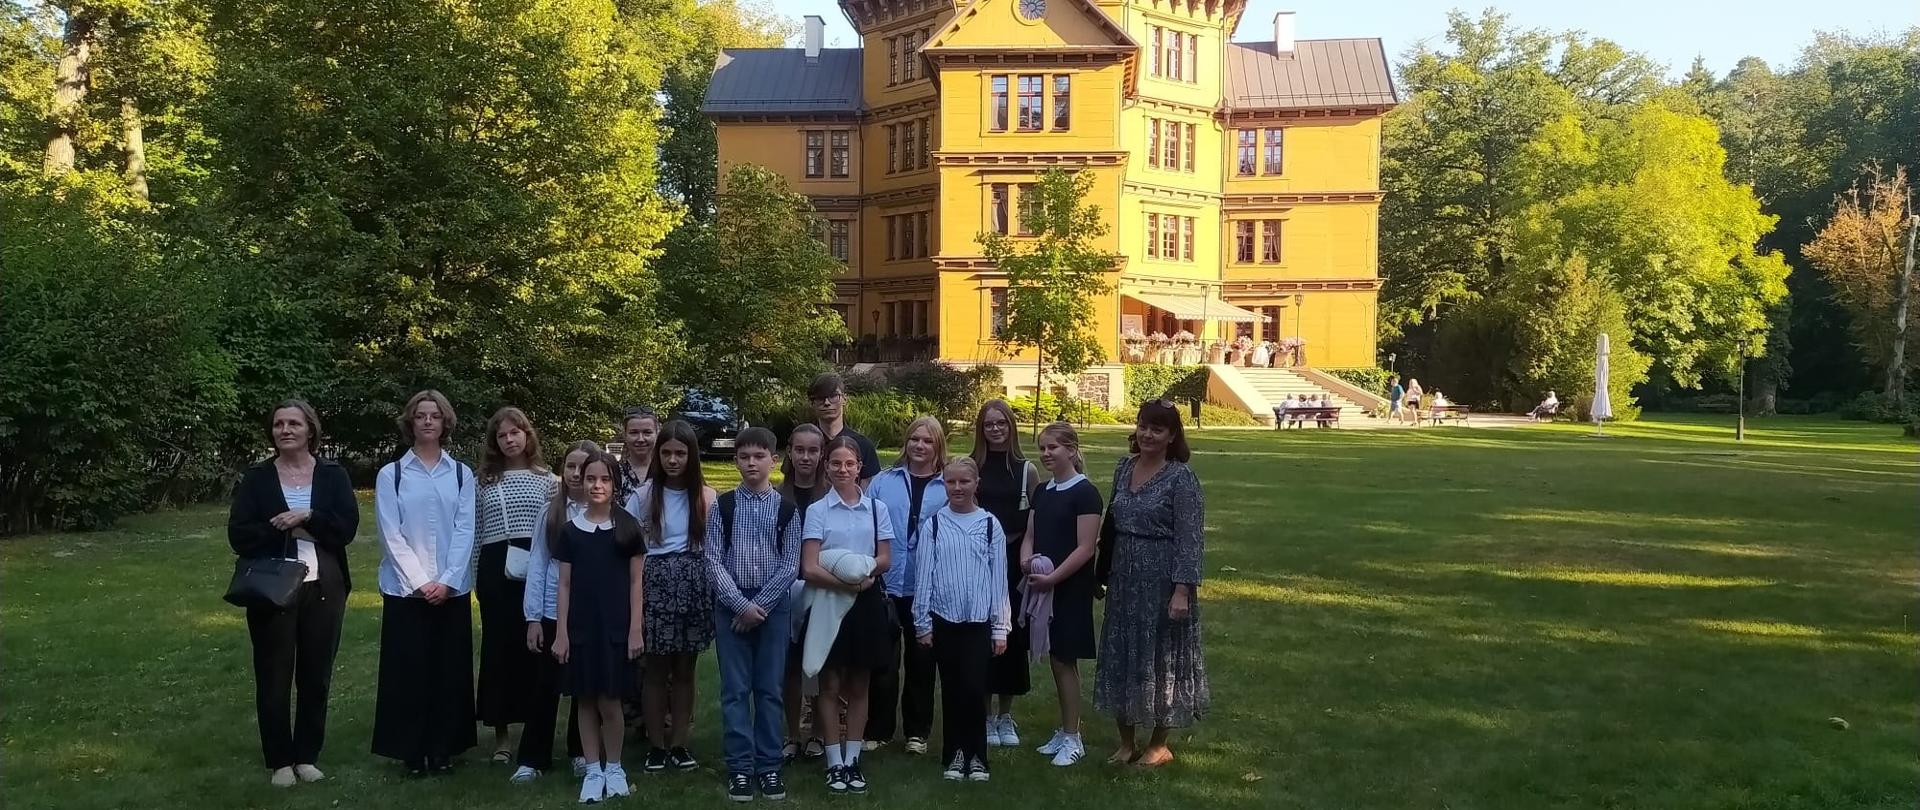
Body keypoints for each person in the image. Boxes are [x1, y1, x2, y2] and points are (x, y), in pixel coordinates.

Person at [228, 400, 359, 788]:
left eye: (294, 424)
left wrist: (308, 518)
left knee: (316, 676)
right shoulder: (258, 478)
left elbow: (345, 529)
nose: (285, 430)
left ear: (310, 430)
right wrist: (285, 528)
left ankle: (306, 756)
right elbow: (239, 535)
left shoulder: (333, 475)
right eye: (278, 424)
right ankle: (280, 760)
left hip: (325, 586)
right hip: (272, 589)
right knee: (274, 675)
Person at [1094, 400, 1210, 768]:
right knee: (1122, 654)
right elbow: (1111, 523)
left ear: (1172, 435)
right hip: (1124, 577)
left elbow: (1190, 538)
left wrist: (1182, 590)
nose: (1147, 434)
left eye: (1157, 429)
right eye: (1143, 426)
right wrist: (1102, 572)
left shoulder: (1181, 478)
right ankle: (1126, 742)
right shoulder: (1123, 468)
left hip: (1162, 579)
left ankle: (1159, 745)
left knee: (1162, 659)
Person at [372, 390, 478, 776]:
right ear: (411, 422)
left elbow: (465, 529)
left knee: (449, 672)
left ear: (445, 422)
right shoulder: (392, 474)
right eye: (421, 416)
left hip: (452, 589)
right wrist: (420, 582)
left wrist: (447, 581)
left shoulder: (462, 473)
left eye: (435, 415)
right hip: (405, 591)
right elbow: (390, 533)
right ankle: (411, 752)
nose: (428, 421)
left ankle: (444, 748)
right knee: (408, 672)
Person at [704, 427, 805, 802]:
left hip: (772, 607)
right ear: (736, 461)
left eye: (758, 456)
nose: (751, 463)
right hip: (732, 605)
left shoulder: (787, 510)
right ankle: (741, 768)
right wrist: (740, 604)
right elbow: (713, 559)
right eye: (744, 457)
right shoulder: (723, 506)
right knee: (734, 690)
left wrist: (758, 606)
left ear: (773, 461)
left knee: (769, 690)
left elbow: (790, 564)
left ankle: (769, 766)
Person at [799, 436, 896, 795]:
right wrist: (848, 583)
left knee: (859, 683)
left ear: (859, 467)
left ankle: (853, 758)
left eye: (849, 464)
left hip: (865, 601)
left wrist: (865, 575)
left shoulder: (876, 509)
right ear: (827, 467)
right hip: (829, 600)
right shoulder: (818, 511)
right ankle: (833, 761)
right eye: (836, 463)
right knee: (829, 682)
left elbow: (885, 557)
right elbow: (809, 566)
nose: (843, 469)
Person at [551, 449, 646, 804]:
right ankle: (592, 770)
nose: (596, 485)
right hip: (580, 628)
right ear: (579, 481)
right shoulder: (570, 532)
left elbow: (637, 583)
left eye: (604, 479)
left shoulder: (627, 528)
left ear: (615, 484)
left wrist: (635, 629)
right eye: (590, 478)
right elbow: (563, 585)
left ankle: (615, 766)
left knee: (610, 701)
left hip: (615, 628)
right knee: (585, 700)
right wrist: (561, 633)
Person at [913, 457, 1011, 783]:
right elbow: (924, 575)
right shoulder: (935, 525)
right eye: (951, 482)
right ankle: (954, 754)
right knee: (952, 689)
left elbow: (999, 579)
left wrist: (1000, 627)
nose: (957, 488)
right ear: (944, 484)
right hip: (944, 619)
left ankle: (977, 755)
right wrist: (922, 622)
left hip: (978, 622)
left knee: (973, 687)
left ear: (975, 484)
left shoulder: (988, 525)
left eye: (964, 482)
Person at [629, 419, 718, 773]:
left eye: (680, 453)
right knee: (654, 670)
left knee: (685, 670)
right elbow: (632, 548)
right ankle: (655, 745)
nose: (673, 460)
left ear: (691, 456)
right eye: (666, 452)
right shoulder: (644, 496)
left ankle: (680, 743)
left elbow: (713, 547)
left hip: (693, 585)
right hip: (655, 585)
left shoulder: (706, 497)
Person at [475, 407, 556, 764]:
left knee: (535, 649)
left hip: (534, 564)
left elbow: (555, 533)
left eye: (515, 433)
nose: (509, 440)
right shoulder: (484, 482)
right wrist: (477, 576)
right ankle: (502, 736)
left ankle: (536, 732)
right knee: (499, 651)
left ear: (527, 435)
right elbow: (477, 532)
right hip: (496, 567)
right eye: (502, 435)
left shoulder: (548, 480)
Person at [865, 416, 950, 756]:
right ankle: (879, 729)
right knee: (883, 663)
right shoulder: (884, 481)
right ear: (906, 442)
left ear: (937, 446)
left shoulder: (949, 486)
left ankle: (917, 731)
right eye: (915, 439)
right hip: (886, 584)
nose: (919, 446)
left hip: (927, 586)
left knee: (922, 663)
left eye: (927, 441)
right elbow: (864, 522)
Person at [512, 441, 594, 785]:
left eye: (584, 468)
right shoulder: (551, 512)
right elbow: (538, 563)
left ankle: (580, 751)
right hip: (548, 610)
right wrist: (533, 617)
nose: (576, 474)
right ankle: (533, 757)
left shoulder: (605, 512)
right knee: (544, 687)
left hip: (589, 613)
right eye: (571, 467)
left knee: (584, 687)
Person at [1023, 422, 1102, 768]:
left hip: (1068, 588)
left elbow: (1085, 548)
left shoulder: (1086, 493)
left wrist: (1053, 578)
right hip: (1042, 584)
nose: (1045, 454)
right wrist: (1025, 560)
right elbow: (1031, 533)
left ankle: (1073, 736)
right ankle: (1065, 728)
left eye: (1052, 447)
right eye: (1041, 448)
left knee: (1064, 659)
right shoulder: (1043, 491)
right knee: (1055, 657)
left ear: (1071, 449)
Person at [968, 399, 1038, 748]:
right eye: (989, 424)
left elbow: (1034, 522)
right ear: (981, 429)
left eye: (1001, 424)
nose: (995, 430)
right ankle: (983, 715)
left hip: (1012, 559)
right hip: (977, 559)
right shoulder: (972, 465)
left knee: (1010, 637)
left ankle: (1005, 715)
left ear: (1011, 427)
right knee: (981, 636)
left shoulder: (1026, 470)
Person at [779, 424, 830, 764]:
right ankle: (792, 733)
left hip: (823, 588)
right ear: (790, 452)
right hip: (784, 590)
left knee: (820, 666)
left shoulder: (830, 496)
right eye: (800, 450)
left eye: (813, 451)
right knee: (790, 667)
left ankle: (818, 733)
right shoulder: (777, 495)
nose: (806, 457)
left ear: (821, 454)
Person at [808, 373, 882, 486]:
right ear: (812, 403)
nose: (827, 403)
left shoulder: (863, 445)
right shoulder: (805, 445)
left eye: (833, 396)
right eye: (820, 398)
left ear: (844, 399)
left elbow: (871, 491)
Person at [614, 407, 659, 505]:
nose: (641, 439)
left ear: (656, 434)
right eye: (634, 433)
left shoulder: (666, 472)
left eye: (647, 432)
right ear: (625, 435)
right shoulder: (613, 473)